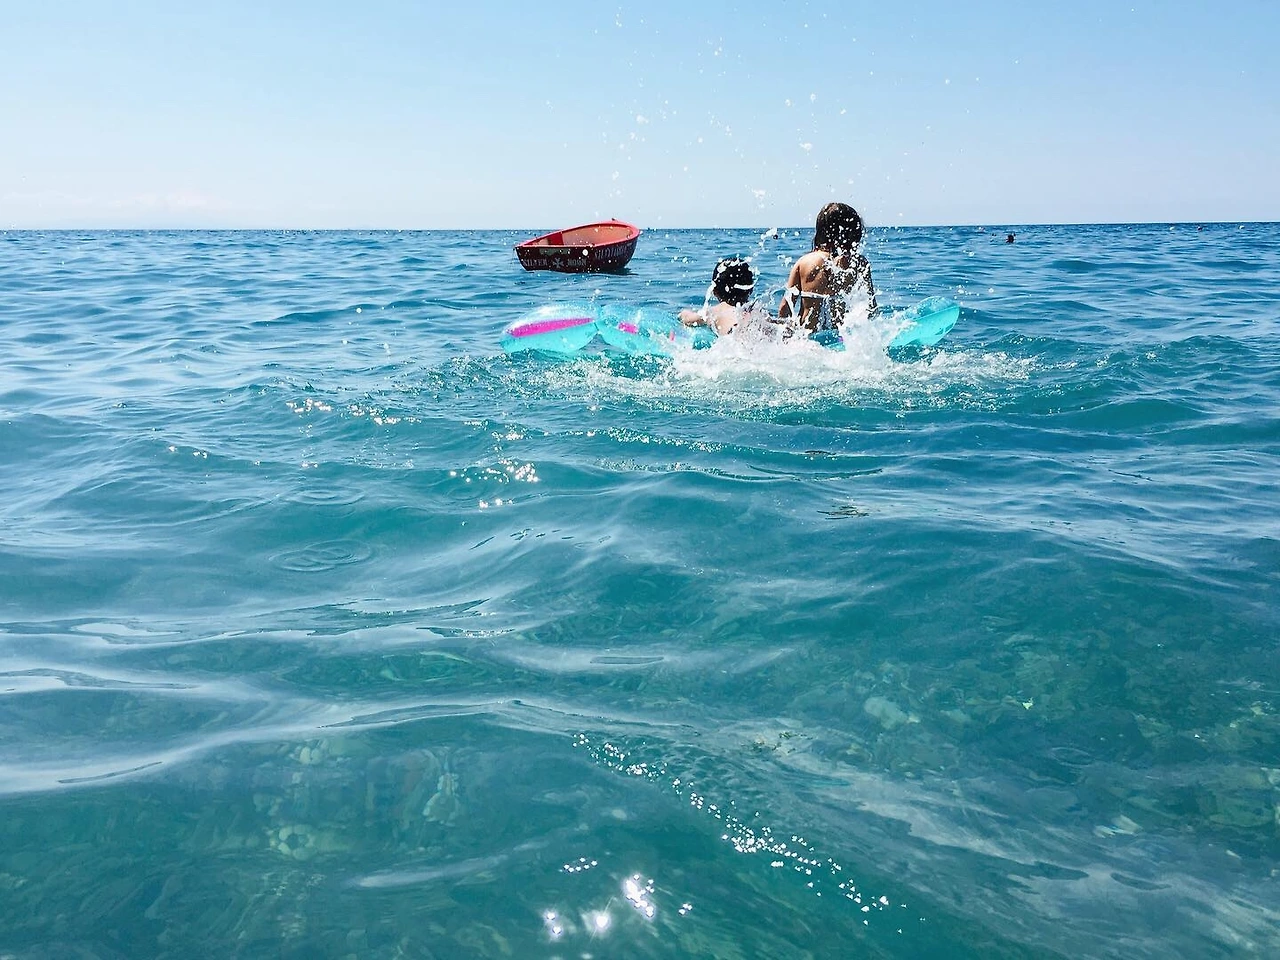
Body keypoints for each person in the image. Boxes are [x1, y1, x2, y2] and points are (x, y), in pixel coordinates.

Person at [778, 202, 878, 333]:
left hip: (806, 338)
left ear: (821, 231)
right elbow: (871, 308)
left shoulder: (804, 262)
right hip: (840, 338)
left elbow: (784, 308)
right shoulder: (859, 264)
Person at [679, 258, 758, 335]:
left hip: (731, 339)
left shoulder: (716, 311)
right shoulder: (758, 311)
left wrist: (683, 313)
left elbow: (687, 319)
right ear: (751, 289)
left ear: (715, 291)